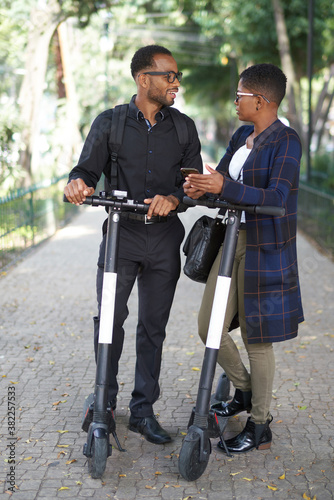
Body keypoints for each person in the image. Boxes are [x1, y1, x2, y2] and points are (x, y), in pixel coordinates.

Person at [64, 45, 202, 444]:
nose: (176, 83)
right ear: (144, 79)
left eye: (177, 76)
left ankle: (143, 411)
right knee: (109, 320)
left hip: (164, 239)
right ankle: (104, 403)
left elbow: (191, 185)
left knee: (153, 328)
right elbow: (84, 170)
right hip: (120, 238)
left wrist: (176, 198)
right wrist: (78, 183)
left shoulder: (184, 127)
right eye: (169, 76)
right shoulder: (109, 123)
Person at [183, 63, 304, 453]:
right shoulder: (240, 134)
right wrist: (203, 186)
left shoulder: (286, 141)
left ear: (262, 100)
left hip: (265, 247)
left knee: (258, 340)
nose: (235, 101)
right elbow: (223, 181)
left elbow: (277, 198)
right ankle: (247, 389)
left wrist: (226, 186)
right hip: (230, 240)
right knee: (209, 328)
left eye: (240, 95)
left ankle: (260, 424)